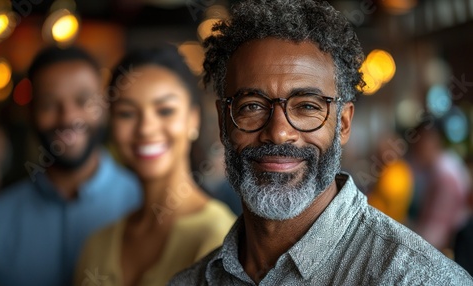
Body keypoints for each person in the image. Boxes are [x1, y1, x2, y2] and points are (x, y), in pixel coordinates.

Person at [169, 0, 473, 285]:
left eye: (307, 107)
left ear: (342, 123)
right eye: (252, 105)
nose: (278, 132)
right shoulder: (189, 281)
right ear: (224, 120)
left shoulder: (418, 277)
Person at [0, 46, 141, 286]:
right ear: (30, 112)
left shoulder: (145, 203)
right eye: (49, 104)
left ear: (104, 108)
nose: (68, 117)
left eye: (83, 101)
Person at [74, 46, 236, 286]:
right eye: (127, 113)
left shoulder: (219, 238)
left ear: (193, 119)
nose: (146, 128)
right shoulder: (98, 243)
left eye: (165, 111)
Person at [409, 122, 471, 252]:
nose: (415, 149)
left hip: (454, 245)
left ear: (431, 142)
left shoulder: (444, 174)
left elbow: (437, 227)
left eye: (418, 142)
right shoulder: (442, 165)